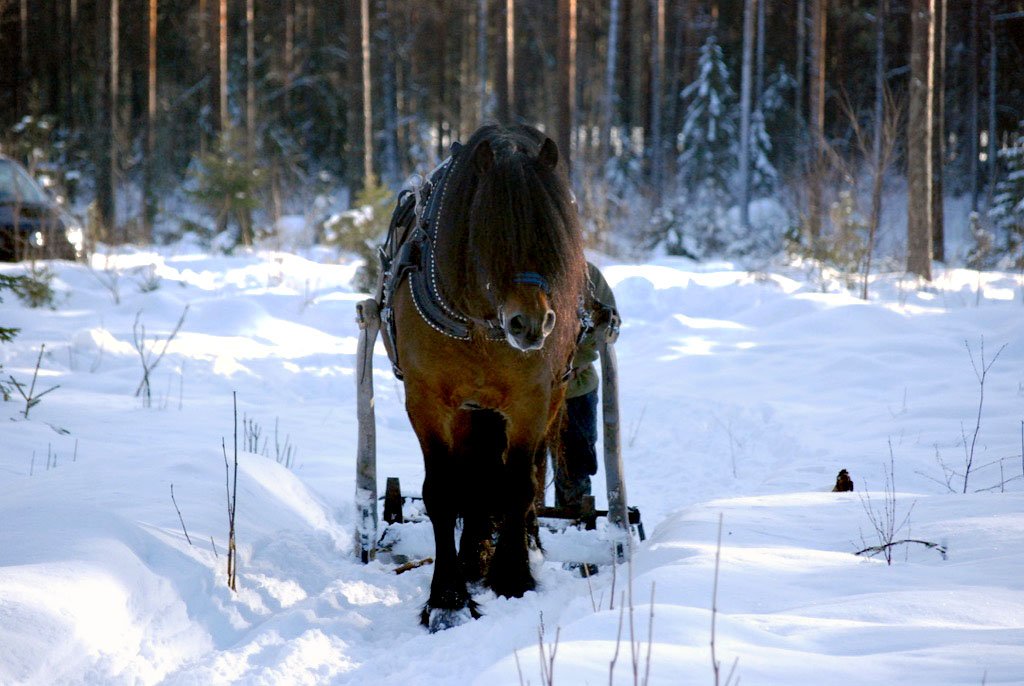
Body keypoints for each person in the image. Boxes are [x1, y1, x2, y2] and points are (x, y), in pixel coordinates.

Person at [553, 262, 620, 509]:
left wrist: (575, 360)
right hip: (521, 390)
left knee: (575, 462)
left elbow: (609, 323)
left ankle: (574, 523)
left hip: (575, 386)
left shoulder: (586, 274)